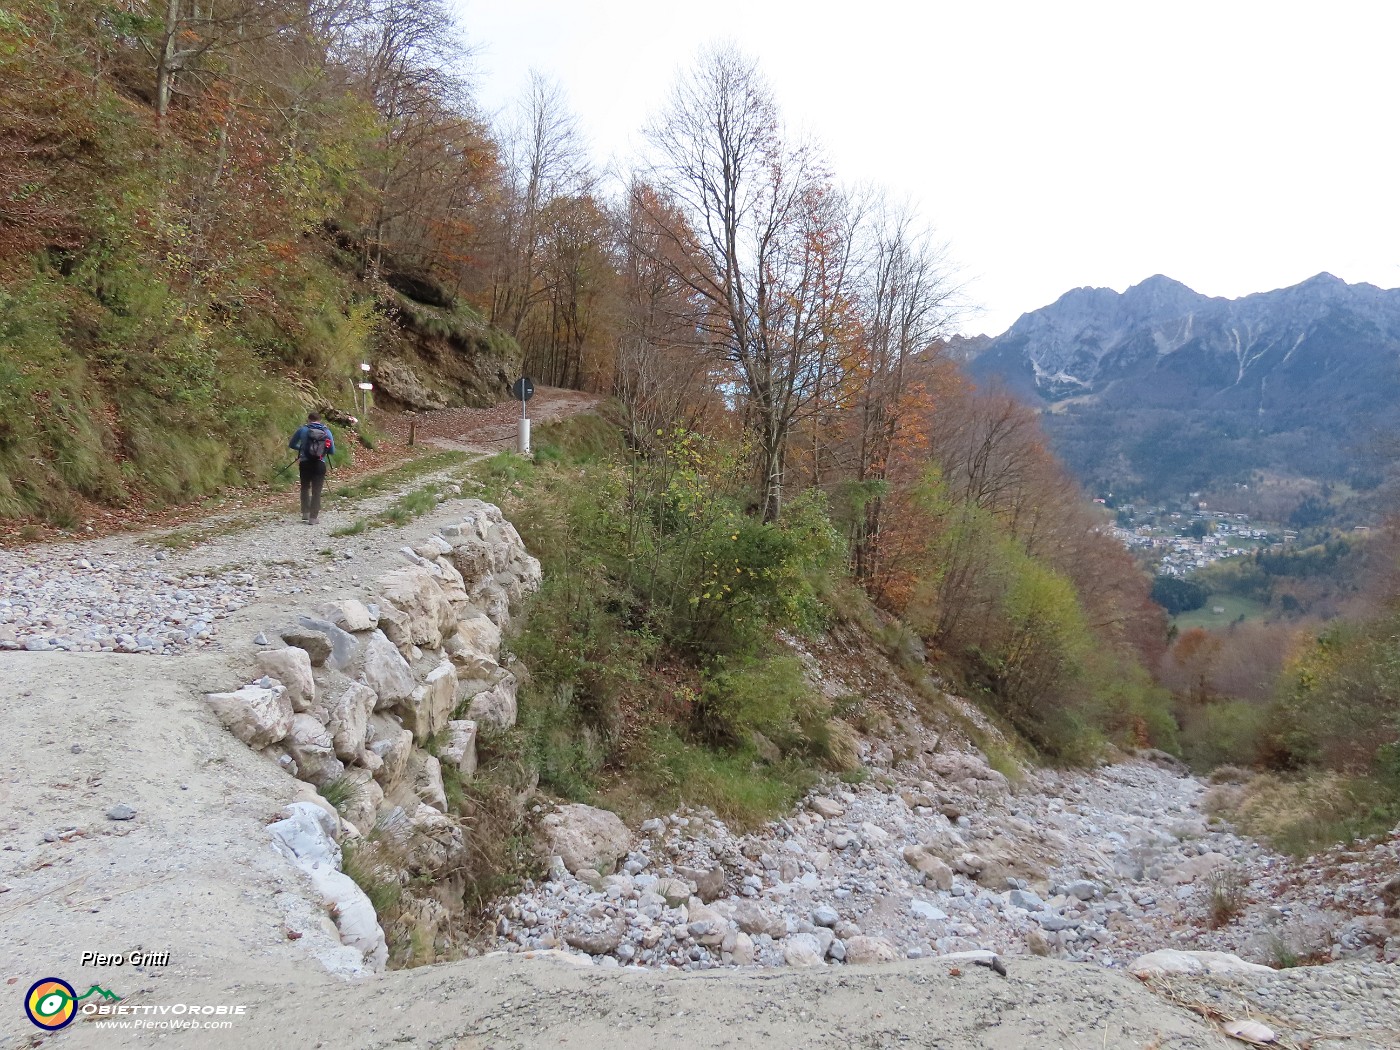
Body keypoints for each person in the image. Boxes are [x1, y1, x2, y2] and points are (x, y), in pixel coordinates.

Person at [288, 412, 335, 525]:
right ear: (320, 420)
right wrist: (322, 451)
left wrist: (303, 449)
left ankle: (305, 513)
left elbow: (291, 444)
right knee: (317, 491)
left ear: (308, 419)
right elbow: (332, 451)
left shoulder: (302, 430)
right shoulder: (326, 431)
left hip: (305, 463)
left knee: (305, 487)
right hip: (319, 463)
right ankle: (313, 518)